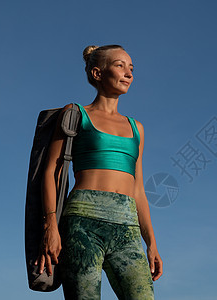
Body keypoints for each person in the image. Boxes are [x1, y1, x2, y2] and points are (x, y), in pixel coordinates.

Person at [36, 44, 163, 299]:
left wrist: (151, 243)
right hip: (83, 222)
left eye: (131, 68)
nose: (129, 74)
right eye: (120, 66)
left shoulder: (136, 127)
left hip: (127, 227)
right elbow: (52, 172)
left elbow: (138, 188)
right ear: (97, 73)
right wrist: (51, 226)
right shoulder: (75, 114)